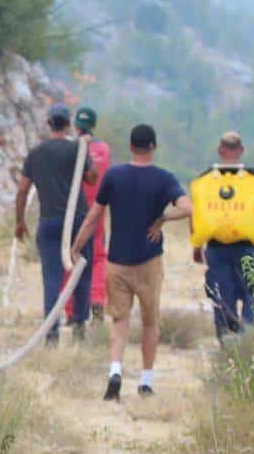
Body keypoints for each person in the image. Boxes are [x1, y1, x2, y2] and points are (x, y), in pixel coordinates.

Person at [71, 124, 190, 400]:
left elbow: (93, 217)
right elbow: (187, 207)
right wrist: (163, 219)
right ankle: (146, 381)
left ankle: (115, 371)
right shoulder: (164, 179)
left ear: (130, 146)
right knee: (150, 321)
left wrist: (77, 247)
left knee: (119, 320)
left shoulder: (114, 176)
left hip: (118, 261)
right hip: (149, 261)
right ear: (154, 146)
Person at [15, 103, 98, 344]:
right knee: (82, 272)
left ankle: (51, 334)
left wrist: (19, 222)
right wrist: (85, 153)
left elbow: (22, 190)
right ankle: (80, 328)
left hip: (49, 222)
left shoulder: (37, 152)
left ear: (49, 123)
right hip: (78, 223)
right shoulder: (76, 149)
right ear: (69, 124)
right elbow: (93, 179)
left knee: (52, 279)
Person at [189, 131, 254, 342]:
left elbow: (196, 217)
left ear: (220, 150)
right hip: (247, 246)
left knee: (221, 296)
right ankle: (247, 336)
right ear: (241, 150)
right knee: (253, 293)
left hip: (216, 248)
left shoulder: (204, 180)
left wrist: (197, 246)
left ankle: (227, 342)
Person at [67, 106, 111, 321]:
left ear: (76, 125)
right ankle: (96, 300)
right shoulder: (103, 149)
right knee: (98, 256)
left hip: (73, 209)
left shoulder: (70, 147)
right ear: (93, 126)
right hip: (97, 210)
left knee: (70, 255)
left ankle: (69, 309)